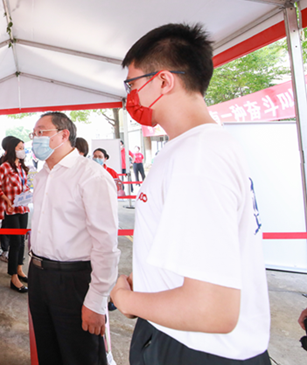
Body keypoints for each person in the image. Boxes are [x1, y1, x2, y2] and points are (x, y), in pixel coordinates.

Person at [110, 23, 270, 364]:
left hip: (197, 349)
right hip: (183, 338)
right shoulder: (194, 147)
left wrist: (126, 300)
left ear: (164, 81)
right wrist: (149, 278)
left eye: (133, 84)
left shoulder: (198, 156)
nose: (131, 97)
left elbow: (211, 310)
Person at [29, 112, 120, 364]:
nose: (35, 138)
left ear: (64, 135)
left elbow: (105, 244)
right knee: (48, 351)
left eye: (41, 132)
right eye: (33, 134)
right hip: (39, 275)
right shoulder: (42, 175)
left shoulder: (91, 175)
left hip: (73, 279)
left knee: (80, 354)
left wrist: (97, 298)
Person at [0, 136, 30, 293]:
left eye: (23, 148)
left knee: (22, 241)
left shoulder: (21, 166)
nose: (22, 151)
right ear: (11, 149)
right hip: (11, 209)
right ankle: (13, 277)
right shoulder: (4, 167)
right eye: (19, 148)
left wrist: (27, 194)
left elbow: (24, 184)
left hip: (23, 208)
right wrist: (7, 200)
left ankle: (20, 269)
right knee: (15, 242)